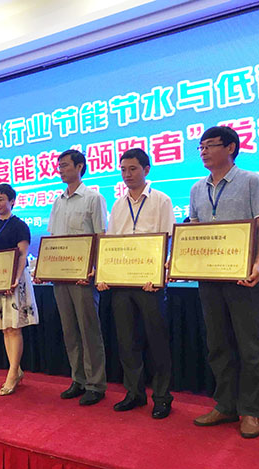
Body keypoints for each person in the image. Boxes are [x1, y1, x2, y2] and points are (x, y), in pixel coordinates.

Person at [189, 126, 259, 439]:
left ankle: (251, 411)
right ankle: (225, 405)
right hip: (210, 279)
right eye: (201, 147)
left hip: (243, 278)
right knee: (218, 344)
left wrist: (258, 264)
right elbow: (194, 229)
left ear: (231, 147)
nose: (204, 152)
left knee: (249, 346)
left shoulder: (251, 181)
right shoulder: (196, 188)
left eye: (210, 145)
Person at [97, 148, 174, 419]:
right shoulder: (118, 204)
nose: (127, 174)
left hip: (150, 282)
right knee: (127, 340)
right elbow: (111, 243)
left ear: (146, 169)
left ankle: (162, 397)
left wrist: (160, 276)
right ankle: (135, 393)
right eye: (123, 170)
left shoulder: (161, 200)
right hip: (121, 282)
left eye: (133, 169)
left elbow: (167, 239)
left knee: (157, 341)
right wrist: (104, 274)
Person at [45, 149, 107, 406]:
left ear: (80, 166)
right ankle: (78, 379)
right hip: (61, 276)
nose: (60, 170)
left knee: (88, 330)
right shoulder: (58, 201)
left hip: (83, 276)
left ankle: (96, 384)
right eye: (59, 166)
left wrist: (94, 270)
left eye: (65, 165)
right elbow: (52, 239)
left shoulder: (93, 198)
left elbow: (100, 236)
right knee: (70, 330)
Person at [0, 183, 38, 395]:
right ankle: (16, 369)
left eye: (2, 199)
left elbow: (22, 255)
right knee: (5, 328)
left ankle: (12, 373)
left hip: (14, 282)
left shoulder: (19, 225)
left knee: (14, 327)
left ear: (12, 201)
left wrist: (15, 279)